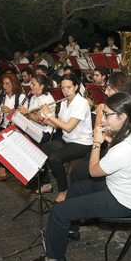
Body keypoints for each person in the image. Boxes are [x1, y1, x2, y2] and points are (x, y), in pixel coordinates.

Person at [33, 92, 131, 261]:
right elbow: (117, 151)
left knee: (59, 211)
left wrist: (96, 143)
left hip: (123, 200)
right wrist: (107, 138)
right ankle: (70, 229)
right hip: (124, 188)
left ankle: (54, 257)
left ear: (123, 116)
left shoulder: (126, 148)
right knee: (74, 190)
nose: (103, 118)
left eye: (107, 114)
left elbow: (94, 171)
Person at [70, 71, 131, 184]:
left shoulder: (129, 111)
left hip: (120, 154)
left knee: (77, 171)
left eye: (109, 88)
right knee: (87, 157)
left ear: (120, 90)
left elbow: (98, 130)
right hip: (116, 146)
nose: (106, 92)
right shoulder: (128, 104)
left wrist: (100, 113)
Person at [38, 74, 93, 202]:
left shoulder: (82, 103)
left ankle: (64, 190)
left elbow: (68, 127)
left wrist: (49, 115)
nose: (65, 91)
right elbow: (59, 124)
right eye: (63, 88)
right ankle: (47, 183)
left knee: (55, 159)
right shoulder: (64, 102)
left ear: (76, 87)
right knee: (44, 148)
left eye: (69, 87)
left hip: (82, 142)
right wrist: (44, 119)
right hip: (68, 139)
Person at [0, 74, 25, 181]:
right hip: (5, 127)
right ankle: (4, 169)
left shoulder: (21, 97)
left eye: (7, 84)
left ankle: (2, 170)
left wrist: (10, 111)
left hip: (17, 128)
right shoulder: (1, 98)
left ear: (14, 84)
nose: (4, 86)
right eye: (3, 84)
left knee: (4, 141)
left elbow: (23, 117)